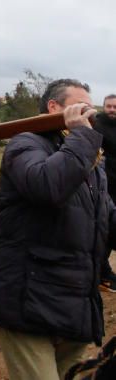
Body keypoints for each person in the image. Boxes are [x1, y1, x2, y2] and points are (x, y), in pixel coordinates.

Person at [0, 78, 116, 380]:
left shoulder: (89, 161)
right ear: (54, 108)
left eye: (91, 110)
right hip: (28, 303)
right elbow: (47, 186)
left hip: (73, 307)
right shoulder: (25, 144)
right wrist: (82, 138)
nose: (90, 117)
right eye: (81, 108)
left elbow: (107, 219)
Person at [94, 94, 116, 292]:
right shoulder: (96, 125)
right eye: (108, 106)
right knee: (105, 231)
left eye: (115, 107)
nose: (112, 110)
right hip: (104, 188)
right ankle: (101, 272)